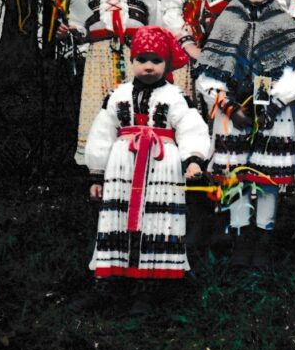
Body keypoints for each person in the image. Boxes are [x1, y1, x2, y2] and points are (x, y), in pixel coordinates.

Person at [83, 26, 210, 314]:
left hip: (161, 168)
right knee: (118, 218)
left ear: (166, 63)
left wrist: (193, 160)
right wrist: (96, 174)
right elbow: (102, 133)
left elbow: (192, 128)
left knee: (157, 221)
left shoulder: (176, 96)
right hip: (123, 168)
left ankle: (150, 288)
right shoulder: (117, 95)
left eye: (156, 60)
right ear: (132, 60)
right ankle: (110, 284)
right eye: (142, 59)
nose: (149, 66)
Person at [195, 0, 295, 269]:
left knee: (267, 177)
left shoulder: (283, 22)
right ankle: (239, 234)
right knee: (235, 175)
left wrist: (274, 102)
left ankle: (263, 236)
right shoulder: (226, 20)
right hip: (232, 114)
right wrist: (227, 105)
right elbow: (208, 72)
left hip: (272, 114)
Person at [161, 0, 248, 251]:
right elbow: (170, 8)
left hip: (228, 59)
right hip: (188, 57)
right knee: (191, 129)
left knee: (224, 131)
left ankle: (227, 219)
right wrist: (187, 42)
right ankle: (192, 216)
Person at [61, 0, 160, 165]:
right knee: (99, 104)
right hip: (100, 50)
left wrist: (154, 46)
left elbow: (154, 16)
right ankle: (99, 166)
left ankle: (136, 161)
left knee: (135, 103)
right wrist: (72, 31)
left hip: (135, 51)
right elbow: (78, 17)